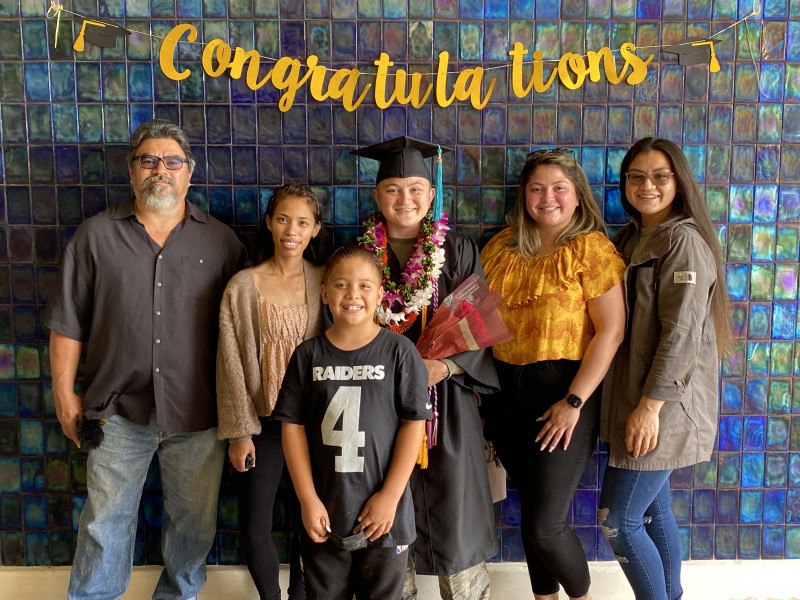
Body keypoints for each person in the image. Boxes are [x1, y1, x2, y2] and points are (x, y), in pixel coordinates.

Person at [43, 119, 248, 600]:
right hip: (115, 411)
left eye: (172, 161)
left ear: (189, 175)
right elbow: (67, 322)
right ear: (131, 172)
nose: (161, 170)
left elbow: (244, 333)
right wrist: (63, 394)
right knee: (104, 523)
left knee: (193, 528)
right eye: (148, 160)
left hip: (199, 413)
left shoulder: (222, 243)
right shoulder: (94, 237)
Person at [351, 137, 499, 600]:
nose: (405, 199)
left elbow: (479, 327)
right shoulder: (358, 257)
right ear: (377, 197)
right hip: (378, 408)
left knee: (455, 520)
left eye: (416, 188)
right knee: (390, 525)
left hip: (446, 408)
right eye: (392, 189)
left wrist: (444, 367)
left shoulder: (456, 251)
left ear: (431, 194)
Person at [480, 148, 627, 600]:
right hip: (504, 395)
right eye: (537, 188)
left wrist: (575, 402)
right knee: (530, 513)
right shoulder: (500, 247)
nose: (548, 198)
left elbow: (611, 332)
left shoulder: (591, 249)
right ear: (524, 196)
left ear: (577, 196)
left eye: (559, 188)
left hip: (563, 394)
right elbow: (474, 320)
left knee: (546, 525)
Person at [598, 137, 731, 600]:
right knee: (652, 512)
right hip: (637, 397)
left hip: (662, 404)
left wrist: (649, 408)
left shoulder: (683, 241)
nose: (647, 185)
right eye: (636, 176)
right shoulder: (634, 237)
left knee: (618, 521)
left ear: (679, 181)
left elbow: (681, 334)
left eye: (659, 176)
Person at [272, 243, 431, 600]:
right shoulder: (307, 355)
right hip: (325, 512)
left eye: (364, 285)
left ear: (380, 294)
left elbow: (413, 423)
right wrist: (307, 499)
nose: (352, 294)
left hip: (384, 517)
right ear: (324, 292)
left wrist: (390, 496)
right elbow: (292, 427)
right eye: (341, 284)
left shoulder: (399, 352)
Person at [216, 184, 325, 600]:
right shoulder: (242, 286)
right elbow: (229, 365)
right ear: (268, 222)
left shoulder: (325, 282)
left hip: (311, 425)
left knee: (307, 521)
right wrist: (239, 431)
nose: (291, 230)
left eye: (302, 222)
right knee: (254, 525)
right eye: (282, 219)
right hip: (261, 426)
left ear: (315, 229)